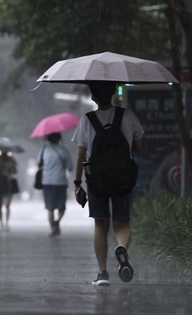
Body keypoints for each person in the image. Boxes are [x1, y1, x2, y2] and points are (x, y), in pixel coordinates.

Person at [71, 81, 143, 286]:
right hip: (122, 177)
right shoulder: (127, 115)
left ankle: (102, 274)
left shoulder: (87, 120)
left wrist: (77, 183)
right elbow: (138, 147)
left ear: (93, 97)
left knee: (100, 224)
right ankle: (121, 247)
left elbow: (80, 154)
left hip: (97, 179)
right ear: (113, 94)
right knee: (122, 222)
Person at [37, 132, 73, 237]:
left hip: (47, 182)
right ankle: (57, 222)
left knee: (50, 207)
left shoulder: (43, 150)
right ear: (59, 138)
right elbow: (70, 167)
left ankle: (53, 228)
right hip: (61, 182)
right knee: (62, 206)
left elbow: (38, 164)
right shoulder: (64, 151)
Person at [0, 150, 17, 227]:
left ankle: (7, 222)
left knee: (7, 204)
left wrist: (10, 168)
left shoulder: (11, 160)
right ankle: (1, 222)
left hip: (8, 183)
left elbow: (15, 171)